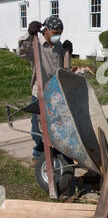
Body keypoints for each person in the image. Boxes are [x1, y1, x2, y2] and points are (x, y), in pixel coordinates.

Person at [17, 15, 73, 161]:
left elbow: (65, 70)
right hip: (39, 92)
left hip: (55, 93)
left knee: (56, 125)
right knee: (37, 128)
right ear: (46, 30)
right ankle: (39, 154)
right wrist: (29, 35)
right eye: (55, 33)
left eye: (60, 33)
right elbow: (21, 53)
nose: (58, 36)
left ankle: (55, 152)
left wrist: (68, 53)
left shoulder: (59, 47)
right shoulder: (36, 43)